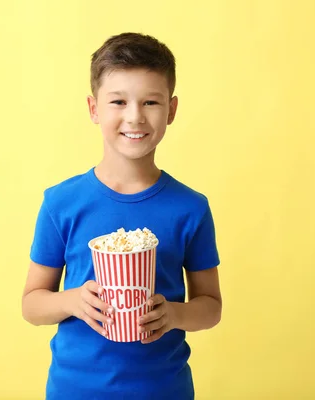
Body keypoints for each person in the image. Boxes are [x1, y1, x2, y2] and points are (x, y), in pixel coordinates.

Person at [22, 32, 222, 399]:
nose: (135, 117)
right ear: (94, 109)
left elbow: (210, 307)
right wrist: (72, 301)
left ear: (172, 110)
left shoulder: (191, 208)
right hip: (75, 389)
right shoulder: (61, 203)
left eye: (150, 102)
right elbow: (32, 304)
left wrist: (175, 316)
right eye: (118, 101)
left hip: (163, 389)